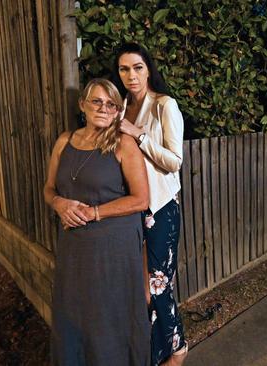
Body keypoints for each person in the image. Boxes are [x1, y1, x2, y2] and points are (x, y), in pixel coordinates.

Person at [44, 78, 150, 366]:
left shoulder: (123, 144)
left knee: (108, 320)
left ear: (118, 111)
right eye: (97, 101)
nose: (104, 108)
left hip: (112, 249)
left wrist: (93, 213)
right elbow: (49, 189)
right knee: (74, 315)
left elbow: (141, 199)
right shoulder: (64, 141)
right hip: (74, 248)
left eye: (111, 104)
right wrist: (59, 203)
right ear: (83, 105)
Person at [111, 43, 187, 366]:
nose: (131, 76)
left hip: (160, 210)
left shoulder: (163, 106)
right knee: (141, 293)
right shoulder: (121, 106)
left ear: (148, 68)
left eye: (137, 68)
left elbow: (174, 161)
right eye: (124, 69)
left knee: (158, 289)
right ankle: (155, 355)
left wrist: (139, 135)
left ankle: (178, 350)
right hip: (132, 210)